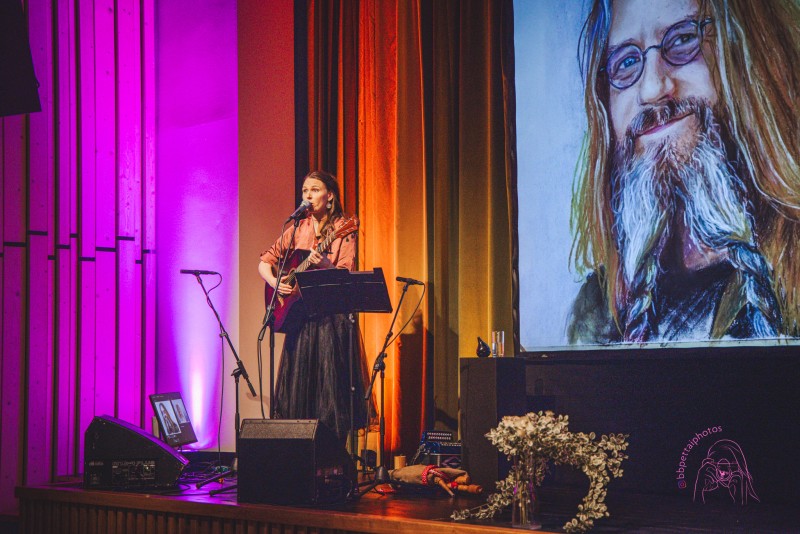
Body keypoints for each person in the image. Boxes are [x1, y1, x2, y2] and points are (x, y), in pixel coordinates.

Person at [568, 0, 800, 343]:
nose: (652, 89)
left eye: (681, 40)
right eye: (627, 62)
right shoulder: (598, 314)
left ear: (748, 52)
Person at [258, 170, 369, 442]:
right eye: (305, 190)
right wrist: (275, 283)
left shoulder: (344, 228)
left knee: (329, 396)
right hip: (301, 320)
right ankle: (302, 456)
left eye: (315, 190)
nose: (308, 195)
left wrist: (325, 263)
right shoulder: (298, 228)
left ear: (330, 196)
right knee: (299, 396)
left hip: (330, 322)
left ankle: (332, 458)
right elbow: (264, 261)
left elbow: (344, 274)